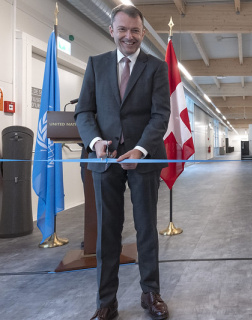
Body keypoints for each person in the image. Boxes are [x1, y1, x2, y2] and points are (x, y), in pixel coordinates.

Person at [75, 4, 170, 320]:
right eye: (123, 29)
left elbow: (160, 115)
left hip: (142, 161)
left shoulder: (156, 68)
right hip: (104, 161)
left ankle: (150, 294)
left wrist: (141, 149)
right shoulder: (96, 64)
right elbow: (84, 112)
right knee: (107, 233)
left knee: (146, 230)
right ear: (112, 30)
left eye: (135, 30)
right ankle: (106, 302)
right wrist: (94, 141)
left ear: (143, 33)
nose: (129, 36)